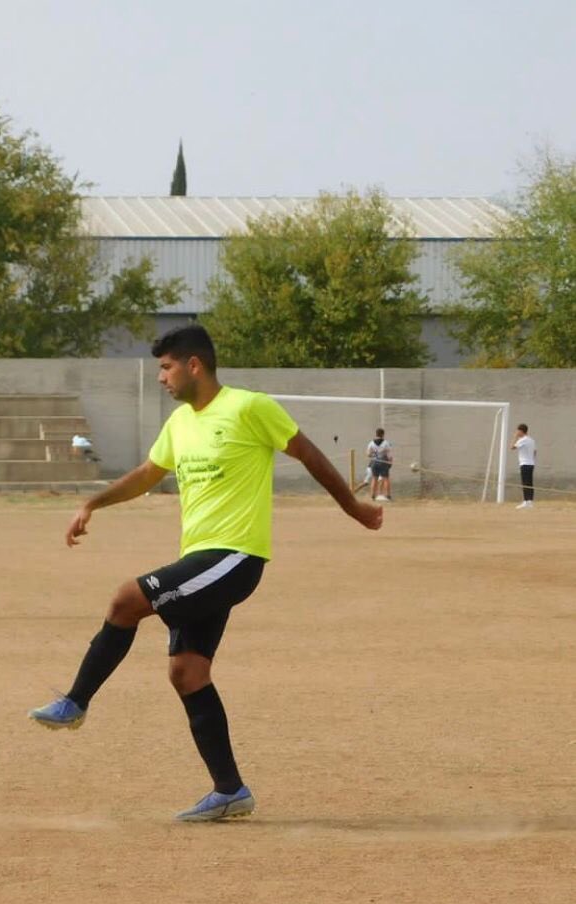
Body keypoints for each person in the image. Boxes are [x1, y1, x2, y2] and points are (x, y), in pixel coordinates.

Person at [28, 324, 383, 822]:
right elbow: (148, 475)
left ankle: (75, 701)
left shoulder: (249, 407)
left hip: (235, 557)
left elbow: (309, 455)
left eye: (167, 368)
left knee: (126, 600)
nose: (161, 379)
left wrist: (354, 507)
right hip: (202, 559)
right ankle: (230, 790)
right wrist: (94, 502)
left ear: (194, 365)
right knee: (187, 672)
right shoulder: (178, 426)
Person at [510, 423, 537, 509]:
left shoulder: (522, 440)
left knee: (525, 483)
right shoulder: (531, 440)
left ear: (521, 431)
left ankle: (526, 501)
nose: (517, 432)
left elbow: (512, 447)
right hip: (531, 463)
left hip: (525, 464)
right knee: (529, 483)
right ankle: (529, 501)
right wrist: (531, 459)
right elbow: (535, 452)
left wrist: (515, 437)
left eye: (518, 431)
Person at [367, 428, 394, 501]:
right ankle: (388, 495)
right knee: (386, 479)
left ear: (376, 434)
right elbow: (389, 454)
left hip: (374, 462)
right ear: (383, 434)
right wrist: (390, 462)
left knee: (374, 479)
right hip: (383, 462)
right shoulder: (386, 443)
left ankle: (373, 495)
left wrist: (374, 455)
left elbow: (368, 454)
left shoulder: (371, 443)